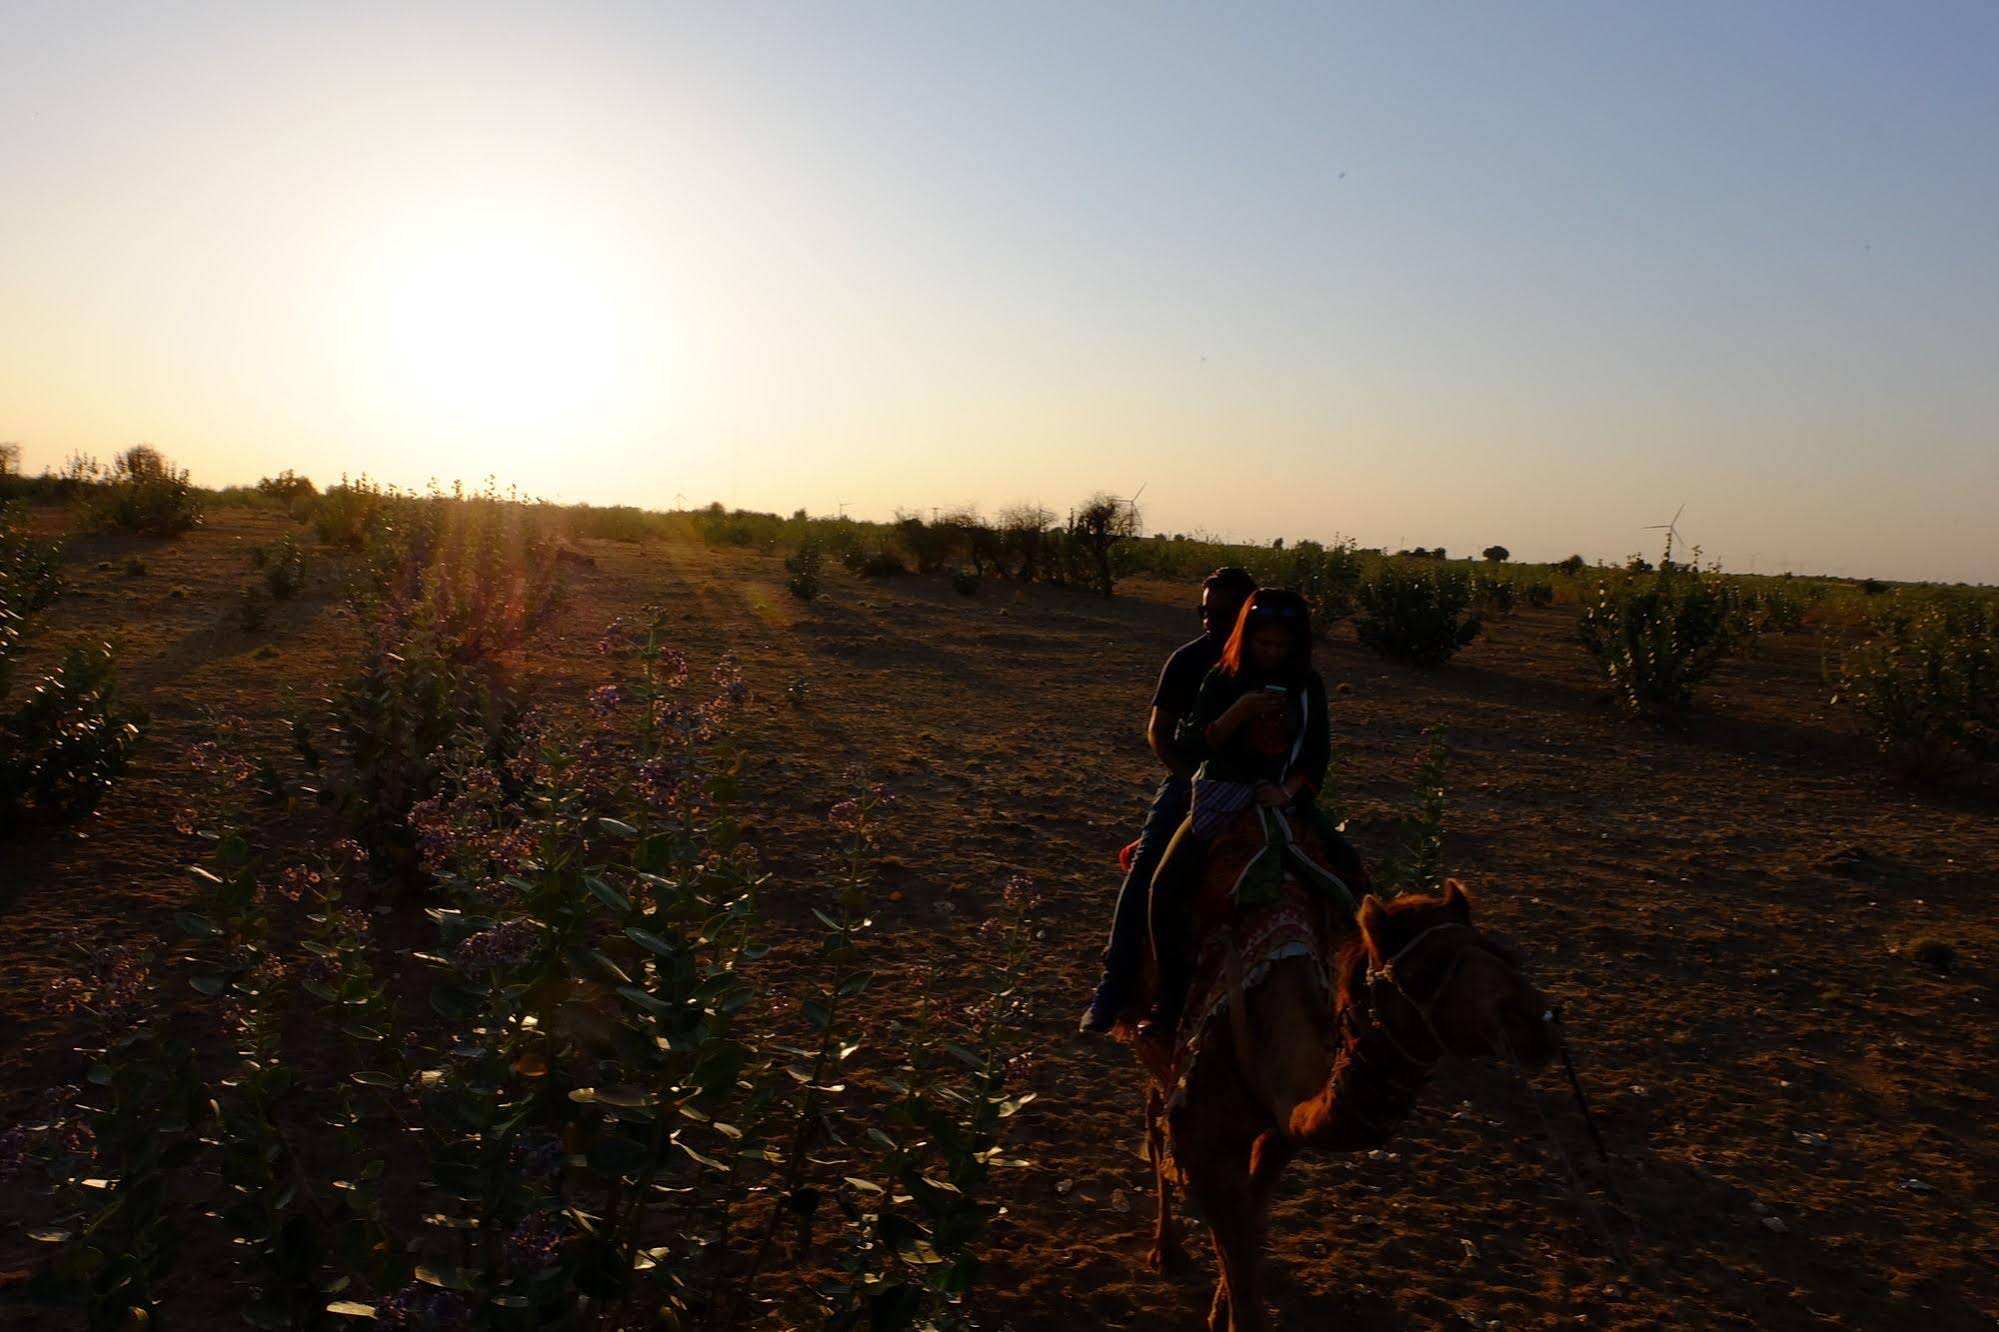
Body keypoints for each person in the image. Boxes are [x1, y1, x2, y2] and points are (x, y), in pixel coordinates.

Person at [1142, 586, 1369, 1035]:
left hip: (1284, 801)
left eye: (1282, 645)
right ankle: (1169, 1003)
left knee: (1353, 874)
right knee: (1163, 887)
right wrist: (1237, 713)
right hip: (1222, 799)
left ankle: (1361, 997)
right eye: (1264, 643)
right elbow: (1189, 742)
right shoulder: (1221, 679)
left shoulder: (1309, 687)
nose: (1272, 652)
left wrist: (1286, 791)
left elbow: (1317, 751)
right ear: (1247, 638)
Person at [1077, 567, 1258, 1035]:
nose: (1208, 623)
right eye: (1204, 612)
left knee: (1335, 871)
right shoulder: (1188, 661)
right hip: (1192, 783)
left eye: (1221, 614)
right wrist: (1194, 778)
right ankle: (1114, 985)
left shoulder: (1276, 664)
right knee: (1149, 871)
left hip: (1264, 789)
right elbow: (1158, 734)